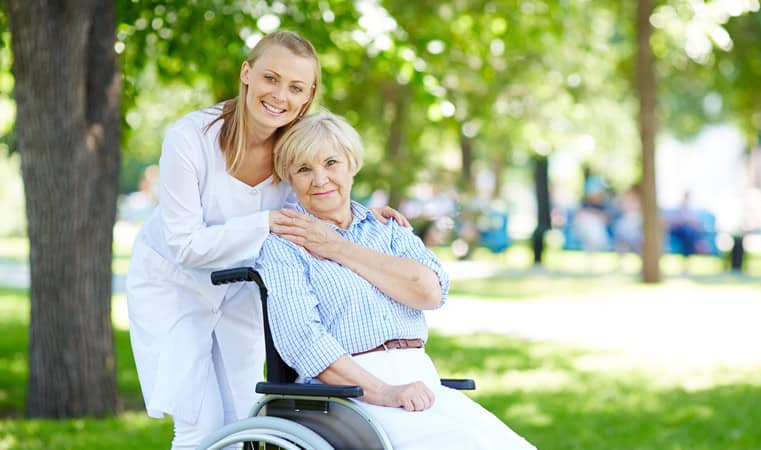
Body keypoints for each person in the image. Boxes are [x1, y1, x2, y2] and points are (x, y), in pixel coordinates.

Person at [126, 30, 406, 449]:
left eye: (296, 87)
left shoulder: (295, 148)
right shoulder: (190, 138)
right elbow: (184, 245)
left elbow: (321, 193)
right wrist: (267, 222)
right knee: (197, 422)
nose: (280, 96)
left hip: (242, 286)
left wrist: (363, 213)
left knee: (243, 420)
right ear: (247, 74)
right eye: (271, 79)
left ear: (308, 95)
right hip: (174, 285)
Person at [255, 111, 536, 450]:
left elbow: (430, 292)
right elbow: (303, 341)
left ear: (352, 165)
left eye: (331, 163)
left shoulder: (387, 230)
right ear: (290, 178)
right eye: (304, 169)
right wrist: (385, 392)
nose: (320, 179)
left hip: (423, 382)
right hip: (348, 397)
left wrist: (337, 247)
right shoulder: (284, 245)